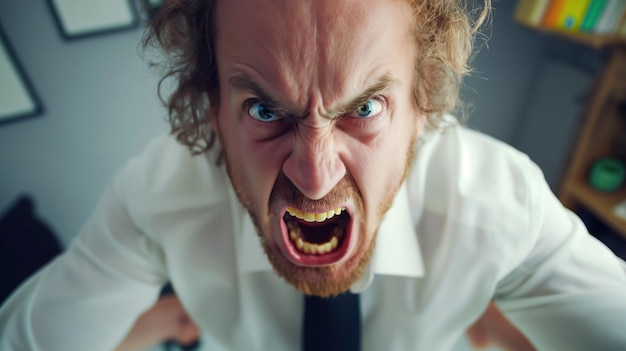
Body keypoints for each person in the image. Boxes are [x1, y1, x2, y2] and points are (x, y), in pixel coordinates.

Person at [1, 0, 625, 350]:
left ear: (421, 105)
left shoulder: (498, 205)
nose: (315, 175)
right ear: (211, 110)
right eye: (265, 110)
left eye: (365, 108)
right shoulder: (156, 197)